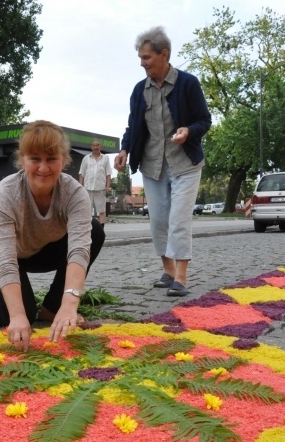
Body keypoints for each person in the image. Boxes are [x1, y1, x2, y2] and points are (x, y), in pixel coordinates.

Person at [0, 120, 106, 351]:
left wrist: (69, 303)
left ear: (64, 160)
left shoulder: (75, 193)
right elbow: (5, 261)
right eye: (35, 159)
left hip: (42, 247)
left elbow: (78, 250)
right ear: (22, 160)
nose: (43, 168)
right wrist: (17, 316)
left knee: (95, 231)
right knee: (16, 312)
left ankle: (53, 308)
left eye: (51, 159)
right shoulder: (7, 192)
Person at [113, 26, 212, 297]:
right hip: (152, 164)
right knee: (158, 220)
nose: (142, 63)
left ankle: (181, 277)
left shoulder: (188, 83)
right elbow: (133, 125)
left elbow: (204, 120)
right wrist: (124, 150)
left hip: (185, 163)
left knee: (179, 219)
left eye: (146, 57)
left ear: (164, 54)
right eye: (141, 58)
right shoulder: (139, 90)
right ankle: (167, 271)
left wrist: (189, 131)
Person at [78, 139, 112, 226]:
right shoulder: (86, 158)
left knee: (102, 210)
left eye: (97, 145)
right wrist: (80, 187)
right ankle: (88, 230)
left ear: (100, 147)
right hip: (87, 189)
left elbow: (108, 174)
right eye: (94, 145)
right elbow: (82, 173)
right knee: (87, 211)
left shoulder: (105, 158)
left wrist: (108, 186)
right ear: (91, 147)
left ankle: (101, 230)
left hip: (100, 189)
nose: (95, 147)